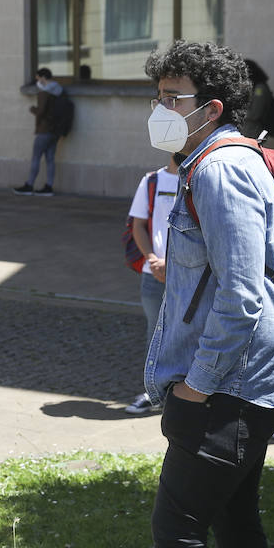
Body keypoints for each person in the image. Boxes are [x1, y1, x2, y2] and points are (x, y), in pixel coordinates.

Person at [122, 41, 274, 548]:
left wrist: (197, 384)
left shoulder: (220, 170)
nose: (159, 109)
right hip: (251, 376)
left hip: (232, 383)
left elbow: (241, 295)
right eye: (159, 96)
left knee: (178, 530)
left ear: (211, 108)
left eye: (172, 98)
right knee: (235, 519)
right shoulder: (215, 160)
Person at [124, 151, 184, 414]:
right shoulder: (152, 181)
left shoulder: (199, 179)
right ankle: (154, 393)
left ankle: (184, 393)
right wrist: (151, 258)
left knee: (187, 331)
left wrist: (171, 263)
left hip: (186, 274)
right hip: (154, 273)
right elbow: (138, 225)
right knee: (155, 333)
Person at [13, 67, 63, 196]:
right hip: (55, 130)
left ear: (43, 78)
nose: (37, 82)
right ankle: (49, 187)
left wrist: (32, 109)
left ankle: (29, 185)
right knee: (50, 159)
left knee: (36, 157)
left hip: (44, 129)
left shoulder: (43, 93)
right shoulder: (59, 91)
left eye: (38, 78)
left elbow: (40, 112)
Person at [240, 59, 274, 139]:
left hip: (254, 132)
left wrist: (238, 114)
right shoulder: (254, 87)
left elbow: (255, 113)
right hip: (249, 131)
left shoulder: (259, 89)